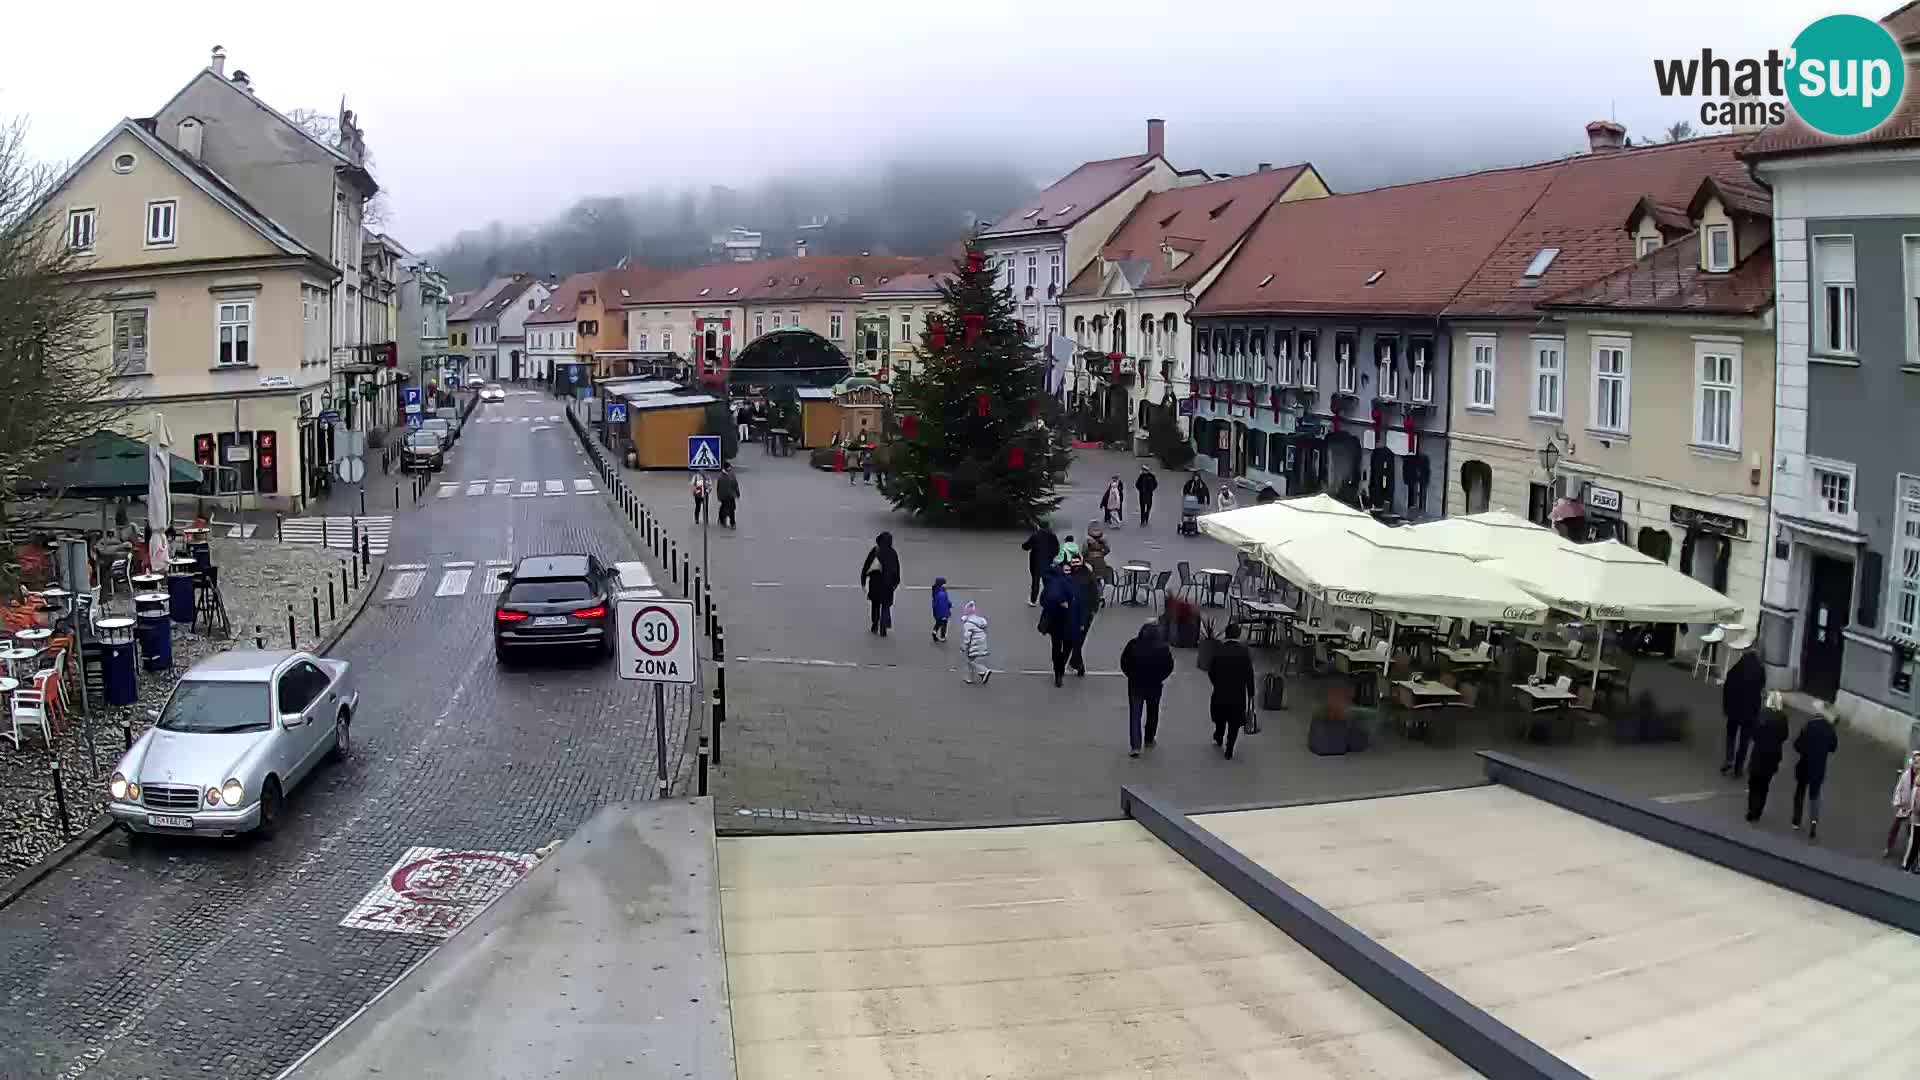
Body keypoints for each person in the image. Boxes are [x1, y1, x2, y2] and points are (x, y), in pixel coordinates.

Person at [1120, 621, 1174, 756]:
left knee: (1135, 715)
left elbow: (1124, 662)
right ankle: (1149, 738)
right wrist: (1160, 678)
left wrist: (1131, 676)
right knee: (1153, 712)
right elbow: (1169, 666)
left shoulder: (1133, 645)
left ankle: (1135, 746)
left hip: (1135, 685)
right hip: (1154, 685)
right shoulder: (1162, 648)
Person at [1207, 623, 1257, 759]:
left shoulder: (1219, 650)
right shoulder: (1244, 653)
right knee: (1234, 723)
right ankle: (1229, 748)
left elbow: (1211, 671)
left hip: (1221, 692)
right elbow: (1249, 675)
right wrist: (1251, 693)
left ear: (1226, 634)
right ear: (1238, 635)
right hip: (1238, 694)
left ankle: (1218, 736)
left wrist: (1216, 684)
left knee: (1220, 718)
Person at [1790, 706, 1838, 839]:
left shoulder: (1808, 726)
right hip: (1819, 767)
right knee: (1814, 796)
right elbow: (1833, 747)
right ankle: (1813, 822)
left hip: (1805, 765)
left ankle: (1796, 820)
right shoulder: (1829, 729)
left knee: (1800, 792)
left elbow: (1797, 746)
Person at [1744, 694, 1791, 823]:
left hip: (1759, 753)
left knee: (1753, 783)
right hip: (1773, 756)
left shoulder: (1762, 713)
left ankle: (1751, 810)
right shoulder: (1783, 717)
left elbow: (1754, 734)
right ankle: (1758, 811)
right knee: (1764, 785)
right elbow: (1785, 736)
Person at [1721, 649, 1765, 776]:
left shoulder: (1735, 670)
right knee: (1744, 740)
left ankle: (1729, 759)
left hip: (1734, 711)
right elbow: (1761, 687)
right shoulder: (1760, 670)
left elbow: (1727, 689)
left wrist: (1726, 708)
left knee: (1731, 735)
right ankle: (1739, 767)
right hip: (1750, 713)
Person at [1038, 566, 1078, 687]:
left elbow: (1043, 601)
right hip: (1068, 621)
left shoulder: (1050, 585)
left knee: (1056, 647)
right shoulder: (1069, 583)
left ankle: (1058, 672)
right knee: (1067, 646)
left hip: (1054, 622)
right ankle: (1060, 669)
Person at [859, 532, 900, 636]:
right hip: (888, 585)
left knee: (875, 605)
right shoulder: (893, 553)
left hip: (876, 584)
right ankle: (883, 627)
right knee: (886, 606)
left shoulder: (876, 551)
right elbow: (896, 570)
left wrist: (863, 580)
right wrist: (895, 583)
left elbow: (867, 565)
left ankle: (875, 623)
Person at [1066, 556, 1098, 677]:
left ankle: (1078, 664)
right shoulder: (1086, 576)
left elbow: (1093, 595)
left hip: (1082, 613)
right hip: (1081, 612)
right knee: (1078, 640)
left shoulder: (1082, 577)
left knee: (1077, 640)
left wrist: (1092, 610)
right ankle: (1077, 663)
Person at [1888, 752, 1920, 863]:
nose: (1917, 766)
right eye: (1915, 763)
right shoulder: (1906, 775)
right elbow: (1899, 789)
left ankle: (1912, 854)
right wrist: (1898, 802)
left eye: (1919, 763)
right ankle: (1888, 848)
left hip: (1915, 810)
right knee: (1894, 827)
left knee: (1912, 832)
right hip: (1904, 806)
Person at [1022, 524, 1060, 607]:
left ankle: (1033, 600)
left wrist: (1024, 546)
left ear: (1040, 526)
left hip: (1036, 562)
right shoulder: (1053, 536)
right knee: (1047, 581)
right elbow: (1057, 549)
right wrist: (1051, 556)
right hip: (1048, 562)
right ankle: (1050, 598)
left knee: (1035, 581)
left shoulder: (1036, 535)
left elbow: (1026, 546)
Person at [960, 601, 991, 685]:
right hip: (982, 642)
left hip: (974, 643)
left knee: (970, 661)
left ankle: (984, 671)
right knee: (972, 660)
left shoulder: (968, 624)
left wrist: (964, 646)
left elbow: (967, 637)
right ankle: (971, 678)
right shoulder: (980, 620)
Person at [1083, 525, 1112, 590]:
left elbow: (1084, 551)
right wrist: (1102, 554)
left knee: (1090, 581)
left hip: (1090, 563)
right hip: (1100, 563)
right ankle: (1100, 595)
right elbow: (1108, 550)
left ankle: (1093, 596)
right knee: (1098, 580)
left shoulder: (1087, 540)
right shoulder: (1103, 540)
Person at [715, 463, 740, 529]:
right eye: (730, 467)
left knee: (725, 508)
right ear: (728, 468)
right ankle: (732, 523)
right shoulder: (731, 475)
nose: (731, 468)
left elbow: (718, 487)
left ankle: (723, 521)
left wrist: (718, 496)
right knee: (731, 509)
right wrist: (737, 493)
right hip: (729, 496)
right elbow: (735, 485)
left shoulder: (721, 476)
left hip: (725, 496)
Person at [930, 577, 952, 642]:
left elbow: (935, 603)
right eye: (944, 583)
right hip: (943, 612)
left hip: (937, 611)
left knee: (938, 622)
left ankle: (934, 631)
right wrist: (950, 605)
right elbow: (945, 603)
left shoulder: (936, 591)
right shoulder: (942, 593)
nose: (945, 585)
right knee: (944, 624)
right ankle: (942, 636)